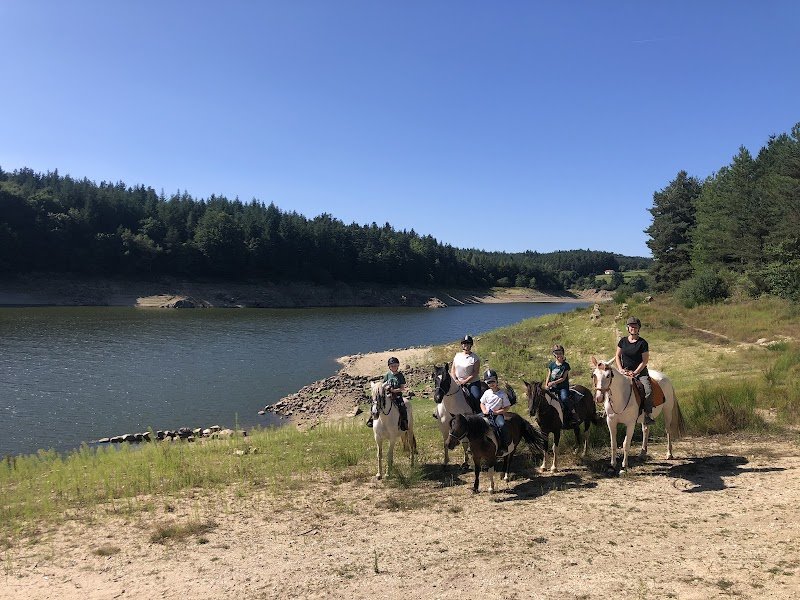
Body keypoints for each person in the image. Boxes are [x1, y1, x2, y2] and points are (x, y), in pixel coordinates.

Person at [616, 316, 655, 424]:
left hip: (640, 373)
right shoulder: (622, 341)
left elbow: (644, 361)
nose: (633, 328)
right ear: (627, 328)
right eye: (631, 326)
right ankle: (608, 412)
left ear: (639, 328)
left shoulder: (643, 343)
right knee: (610, 386)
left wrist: (636, 372)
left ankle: (647, 415)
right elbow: (617, 356)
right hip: (624, 372)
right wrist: (620, 369)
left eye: (635, 326)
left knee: (648, 391)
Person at [367, 356, 408, 430]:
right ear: (389, 367)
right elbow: (383, 384)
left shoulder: (400, 376)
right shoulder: (387, 375)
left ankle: (404, 423)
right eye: (392, 366)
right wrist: (386, 388)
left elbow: (402, 388)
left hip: (397, 396)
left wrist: (394, 391)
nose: (394, 367)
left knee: (402, 407)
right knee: (376, 404)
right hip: (388, 395)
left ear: (398, 366)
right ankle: (372, 418)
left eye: (395, 365)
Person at [545, 344, 578, 426]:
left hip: (562, 387)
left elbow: (563, 378)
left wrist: (553, 383)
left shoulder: (565, 365)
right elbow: (549, 375)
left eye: (560, 353)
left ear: (563, 354)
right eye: (556, 353)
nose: (558, 355)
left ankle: (573, 413)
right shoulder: (551, 365)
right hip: (553, 387)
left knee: (564, 398)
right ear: (554, 354)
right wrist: (546, 385)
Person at [479, 369, 511, 452]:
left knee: (502, 425)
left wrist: (497, 412)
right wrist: (484, 410)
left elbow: (507, 407)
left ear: (497, 381)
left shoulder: (502, 394)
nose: (491, 384)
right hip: (486, 413)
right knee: (473, 422)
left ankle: (504, 444)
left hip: (497, 414)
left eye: (493, 381)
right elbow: (482, 403)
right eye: (489, 382)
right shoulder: (486, 392)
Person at [451, 334, 482, 411]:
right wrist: (455, 380)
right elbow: (453, 370)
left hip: (472, 382)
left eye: (468, 343)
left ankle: (478, 412)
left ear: (471, 345)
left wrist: (464, 381)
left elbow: (475, 372)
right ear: (462, 345)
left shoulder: (475, 358)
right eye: (464, 343)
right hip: (457, 381)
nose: (466, 345)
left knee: (476, 396)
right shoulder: (457, 356)